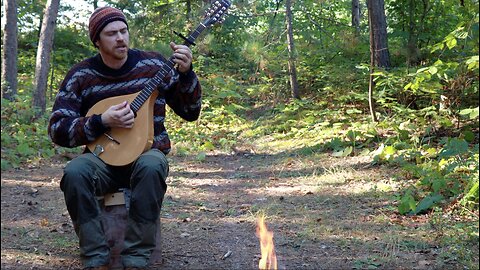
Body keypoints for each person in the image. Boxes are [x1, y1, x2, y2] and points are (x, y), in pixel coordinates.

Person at [48, 6, 202, 270]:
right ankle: (96, 259)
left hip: (145, 154)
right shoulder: (81, 76)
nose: (120, 38)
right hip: (103, 161)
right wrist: (100, 121)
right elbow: (57, 129)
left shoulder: (154, 66)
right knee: (75, 171)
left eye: (123, 31)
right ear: (97, 40)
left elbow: (190, 111)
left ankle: (136, 260)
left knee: (153, 165)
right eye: (111, 34)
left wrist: (187, 74)